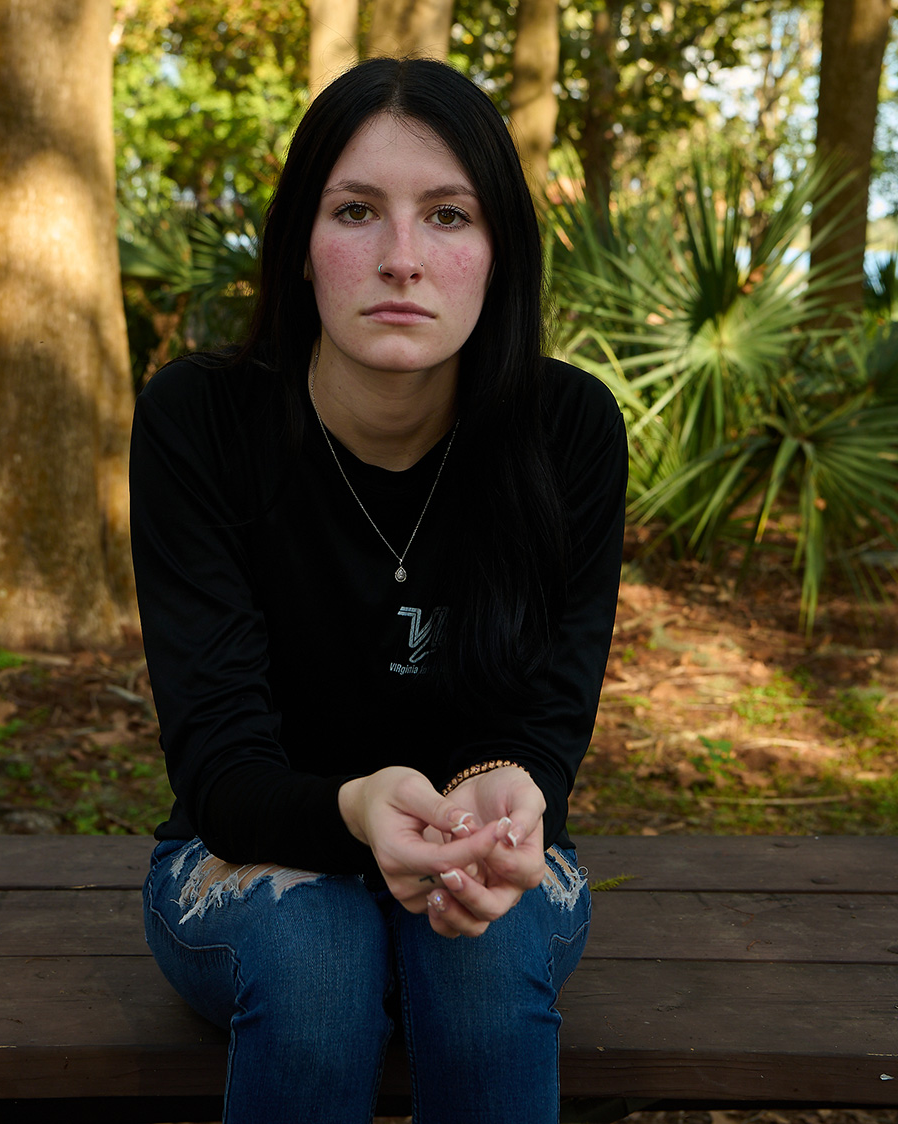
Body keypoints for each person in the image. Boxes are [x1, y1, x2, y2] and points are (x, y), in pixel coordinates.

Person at [130, 56, 627, 1124]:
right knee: (319, 953)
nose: (402, 258)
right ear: (301, 250)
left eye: (448, 215)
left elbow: (550, 721)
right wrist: (355, 807)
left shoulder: (566, 431)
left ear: (499, 253)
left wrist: (513, 784)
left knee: (481, 953)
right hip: (241, 855)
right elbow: (219, 763)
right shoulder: (201, 421)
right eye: (356, 210)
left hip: (488, 859)